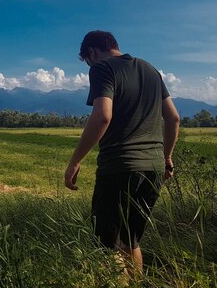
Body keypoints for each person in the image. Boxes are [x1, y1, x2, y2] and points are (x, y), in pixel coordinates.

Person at [64, 30, 180, 275]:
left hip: (119, 167)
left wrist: (75, 161)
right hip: (153, 170)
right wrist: (166, 158)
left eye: (87, 59)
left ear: (92, 52)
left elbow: (102, 116)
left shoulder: (102, 68)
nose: (89, 64)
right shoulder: (151, 70)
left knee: (107, 246)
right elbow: (173, 118)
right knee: (131, 241)